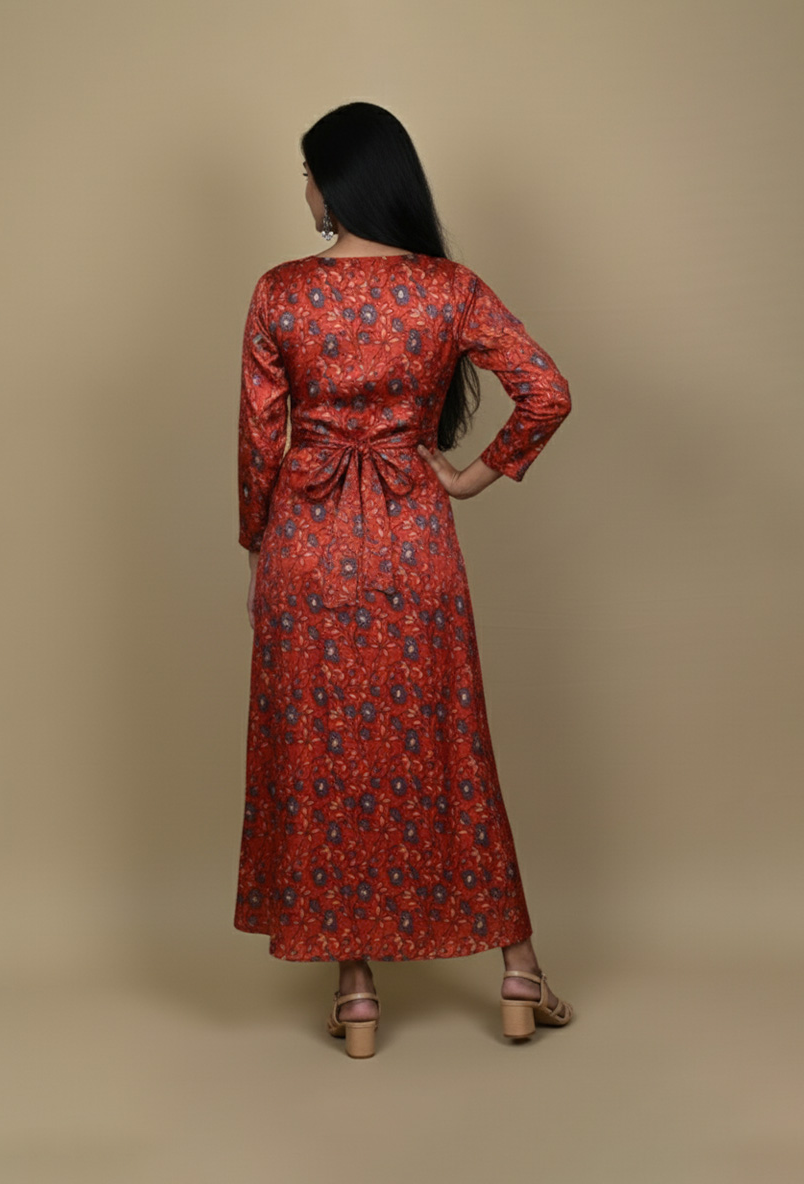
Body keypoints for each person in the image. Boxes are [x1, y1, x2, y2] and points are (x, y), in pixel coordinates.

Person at [235, 101, 574, 1057]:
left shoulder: (281, 292)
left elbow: (260, 443)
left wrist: (257, 548)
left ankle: (356, 997)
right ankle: (519, 973)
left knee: (323, 754)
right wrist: (468, 476)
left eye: (308, 173)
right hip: (414, 537)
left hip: (305, 545)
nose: (305, 191)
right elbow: (547, 392)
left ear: (336, 182)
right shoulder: (448, 289)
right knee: (451, 746)